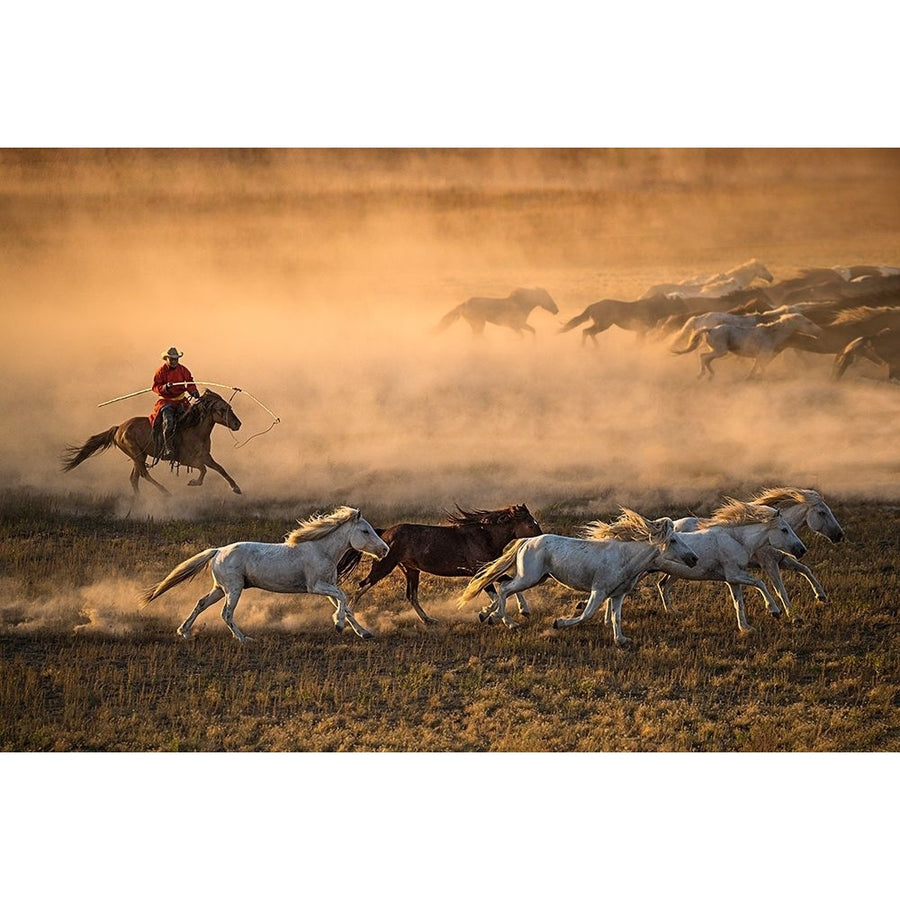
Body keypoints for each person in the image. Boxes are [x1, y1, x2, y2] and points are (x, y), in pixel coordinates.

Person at [149, 347, 200, 458]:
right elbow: (155, 387)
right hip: (166, 402)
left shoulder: (183, 370)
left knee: (193, 418)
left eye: (176, 359)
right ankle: (168, 448)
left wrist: (194, 392)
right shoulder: (160, 371)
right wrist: (165, 388)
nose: (174, 361)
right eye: (171, 359)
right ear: (166, 359)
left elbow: (190, 382)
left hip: (181, 400)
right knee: (169, 422)